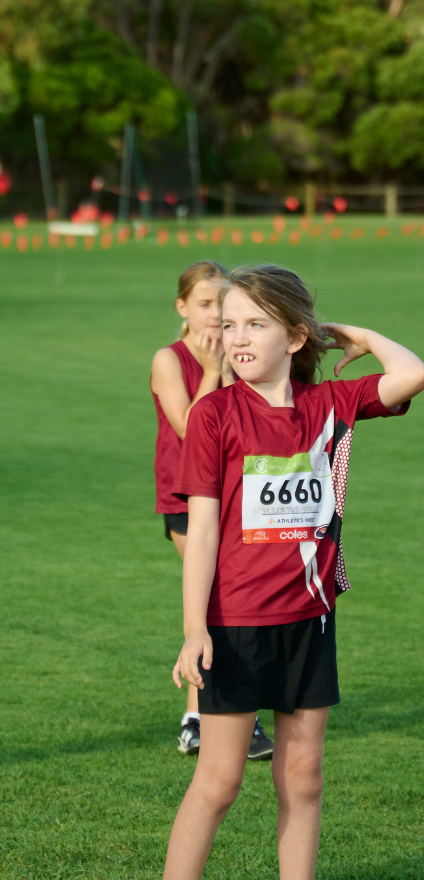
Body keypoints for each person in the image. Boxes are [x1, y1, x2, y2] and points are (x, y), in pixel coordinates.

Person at [132, 264, 424, 880]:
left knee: (302, 776)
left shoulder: (329, 404)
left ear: (295, 337)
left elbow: (412, 372)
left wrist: (353, 336)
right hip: (234, 624)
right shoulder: (216, 414)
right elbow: (200, 530)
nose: (235, 338)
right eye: (228, 324)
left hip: (310, 621)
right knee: (221, 779)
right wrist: (192, 627)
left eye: (255, 324)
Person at [151, 262, 275, 762]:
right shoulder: (170, 359)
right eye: (204, 304)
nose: (213, 315)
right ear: (182, 307)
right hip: (185, 501)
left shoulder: (241, 354)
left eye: (221, 306)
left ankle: (211, 716)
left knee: (227, 597)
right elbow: (188, 427)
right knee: (219, 593)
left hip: (236, 500)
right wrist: (210, 371)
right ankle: (206, 717)